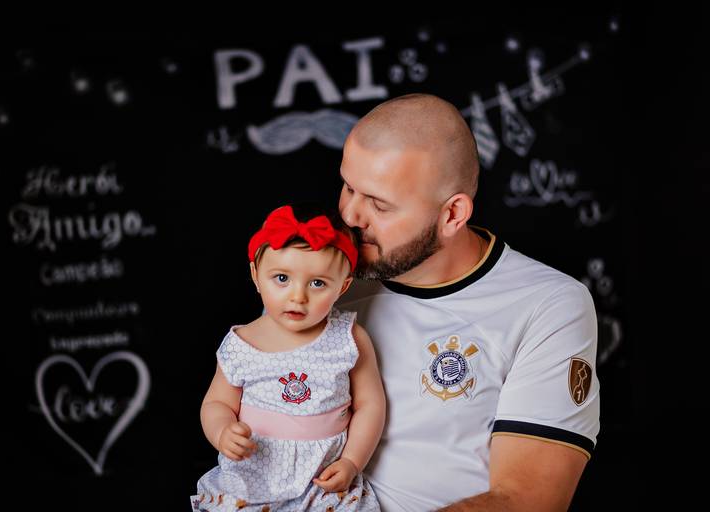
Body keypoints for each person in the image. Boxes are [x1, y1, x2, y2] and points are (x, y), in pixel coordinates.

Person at [334, 93, 600, 511]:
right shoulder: (322, 282)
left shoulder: (546, 305)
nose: (350, 215)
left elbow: (529, 499)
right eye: (348, 187)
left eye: (379, 204)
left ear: (453, 215)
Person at [190, 203, 386, 512]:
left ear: (343, 286)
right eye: (282, 278)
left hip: (323, 479)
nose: (298, 296)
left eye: (318, 283)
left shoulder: (349, 339)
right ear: (256, 275)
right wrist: (222, 431)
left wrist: (352, 461)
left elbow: (370, 405)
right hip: (254, 478)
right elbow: (216, 403)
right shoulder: (241, 344)